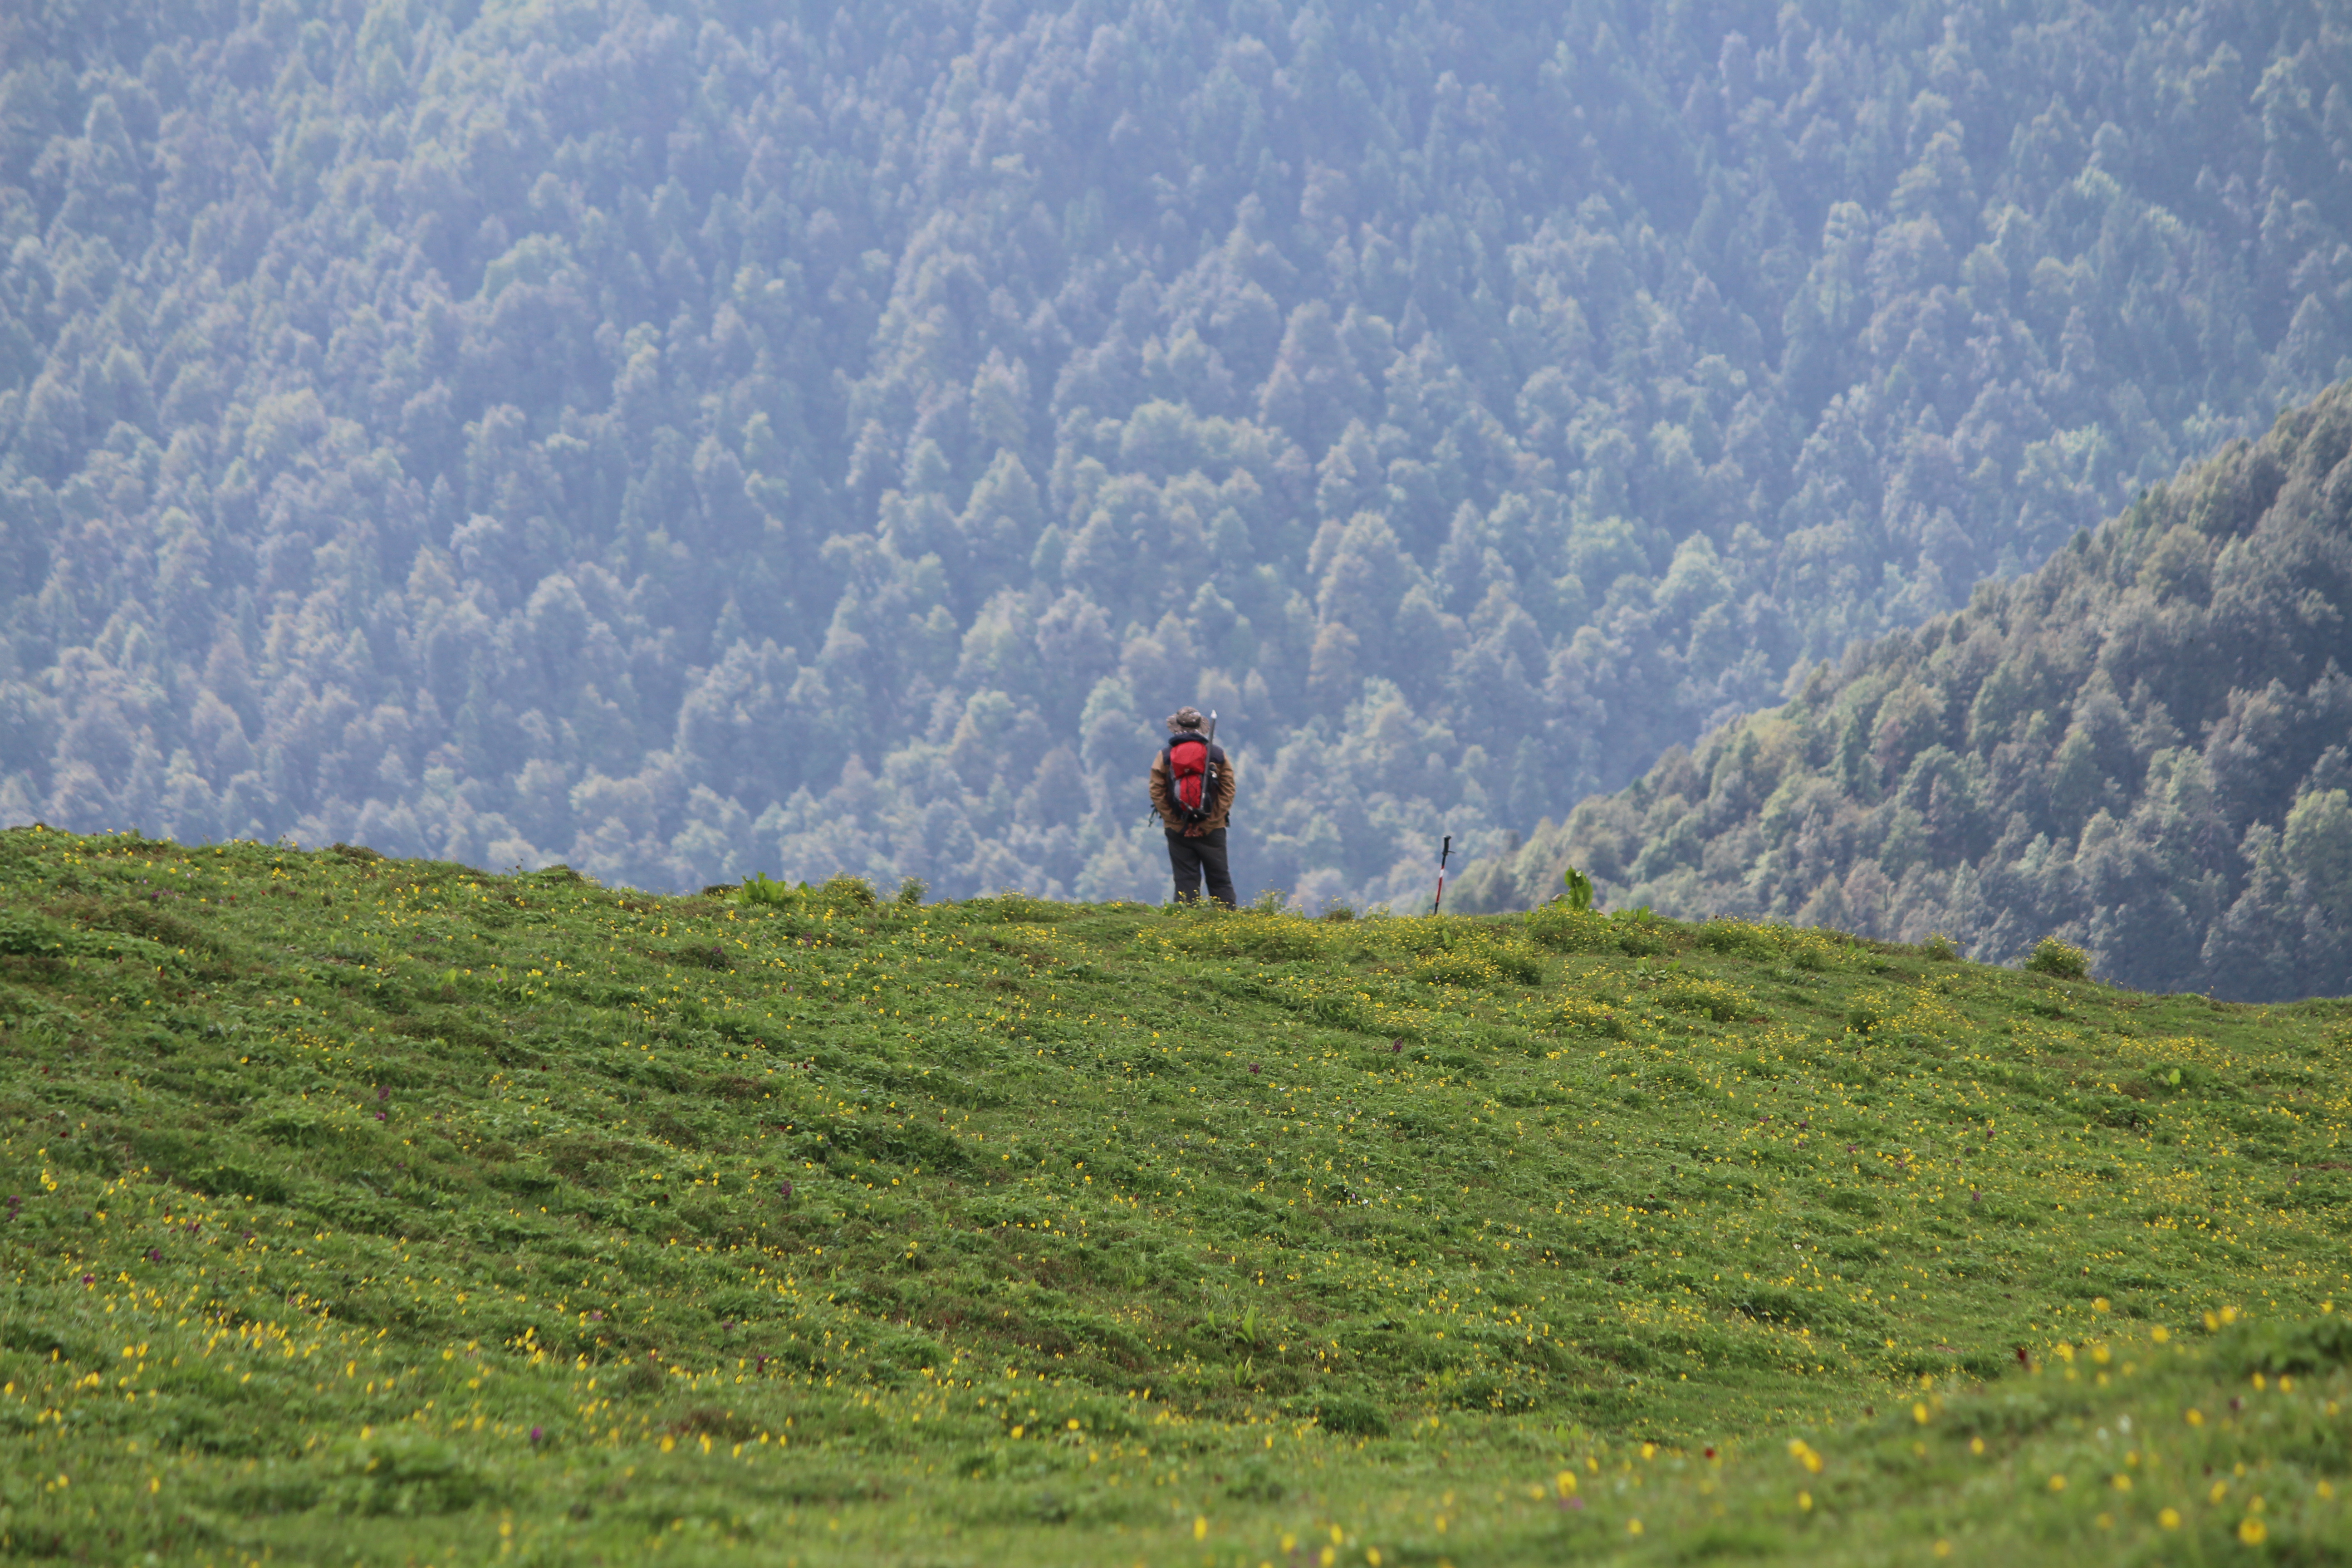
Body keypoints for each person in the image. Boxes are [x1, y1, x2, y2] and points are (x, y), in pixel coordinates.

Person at [1148, 706, 1237, 906]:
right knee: (1220, 879)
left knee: (1185, 880)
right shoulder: (1217, 754)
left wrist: (1178, 824)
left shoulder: (1165, 756)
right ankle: (1227, 924)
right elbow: (1228, 791)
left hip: (1178, 829)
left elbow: (1157, 792)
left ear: (1176, 726)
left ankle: (1186, 924)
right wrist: (1208, 823)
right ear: (1200, 726)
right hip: (1213, 829)